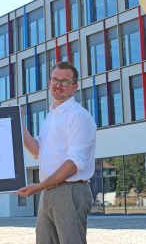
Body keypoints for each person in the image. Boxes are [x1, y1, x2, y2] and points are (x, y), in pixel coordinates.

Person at [16, 61, 96, 244]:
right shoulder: (51, 117)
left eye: (64, 81)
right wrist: (18, 124)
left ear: (75, 86)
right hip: (49, 192)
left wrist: (39, 186)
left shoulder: (78, 115)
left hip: (70, 190)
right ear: (49, 83)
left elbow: (73, 164)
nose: (58, 85)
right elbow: (37, 151)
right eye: (55, 80)